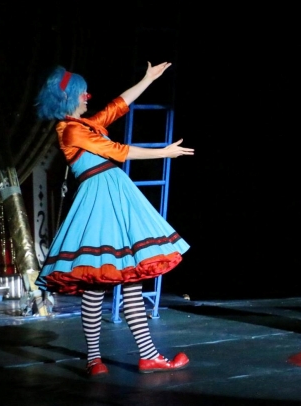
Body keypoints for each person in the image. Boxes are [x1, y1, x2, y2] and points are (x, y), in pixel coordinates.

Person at [34, 62, 193, 376]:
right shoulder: (71, 129)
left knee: (128, 277)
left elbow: (116, 107)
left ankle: (142, 356)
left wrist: (147, 79)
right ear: (68, 97)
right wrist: (163, 153)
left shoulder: (84, 124)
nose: (87, 97)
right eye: (83, 93)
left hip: (115, 198)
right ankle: (96, 359)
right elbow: (118, 151)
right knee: (98, 282)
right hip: (99, 202)